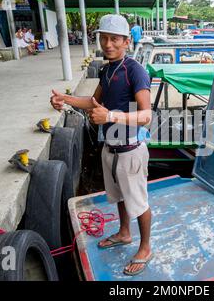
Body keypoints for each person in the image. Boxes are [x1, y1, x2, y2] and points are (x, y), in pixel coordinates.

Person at [50, 14, 153, 276]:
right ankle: (124, 233)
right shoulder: (107, 70)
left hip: (130, 149)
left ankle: (145, 247)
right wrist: (67, 99)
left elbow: (146, 116)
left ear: (126, 42)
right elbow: (93, 103)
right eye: (104, 38)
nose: (108, 44)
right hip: (111, 147)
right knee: (118, 196)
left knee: (138, 202)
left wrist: (110, 116)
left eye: (114, 39)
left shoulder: (135, 71)